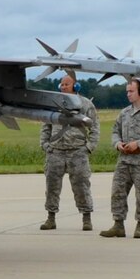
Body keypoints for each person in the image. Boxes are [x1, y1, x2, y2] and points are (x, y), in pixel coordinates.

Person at [98, 78, 140, 238]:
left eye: (131, 91)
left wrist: (138, 144)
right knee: (117, 192)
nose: (128, 94)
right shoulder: (124, 113)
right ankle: (118, 225)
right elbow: (115, 131)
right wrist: (117, 143)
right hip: (124, 161)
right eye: (127, 91)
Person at [38, 70, 97, 230]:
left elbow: (94, 127)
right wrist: (45, 144)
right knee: (52, 186)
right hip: (55, 151)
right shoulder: (53, 103)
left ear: (75, 86)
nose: (63, 87)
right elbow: (45, 124)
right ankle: (51, 218)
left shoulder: (85, 104)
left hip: (77, 152)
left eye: (66, 84)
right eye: (61, 84)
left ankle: (86, 218)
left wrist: (89, 147)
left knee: (82, 186)